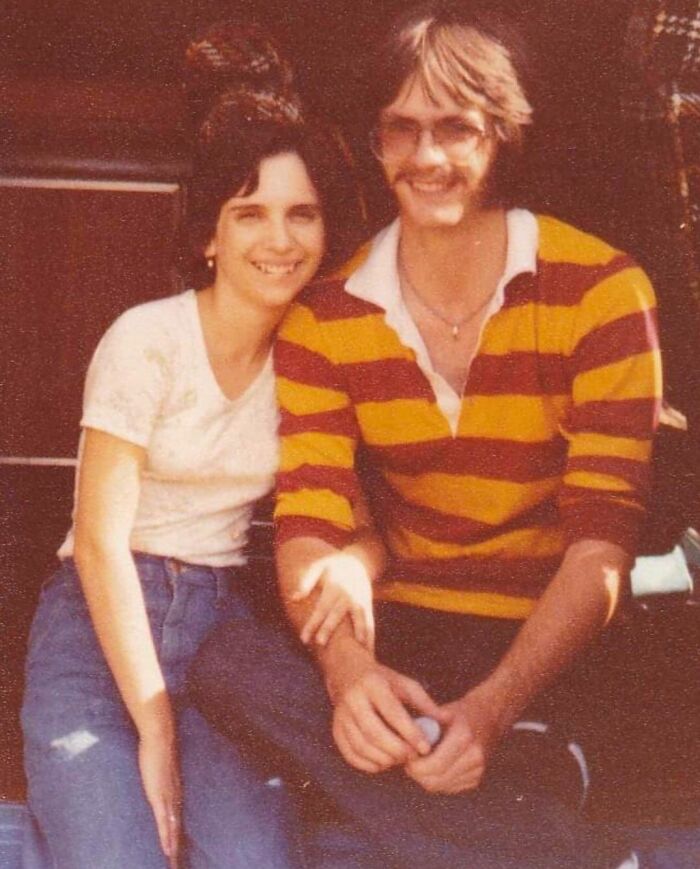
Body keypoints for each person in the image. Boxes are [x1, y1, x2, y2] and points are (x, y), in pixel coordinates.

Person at [190, 3, 662, 867]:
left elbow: (603, 548)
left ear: (502, 137)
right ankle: (545, 849)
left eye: (455, 128)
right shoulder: (327, 314)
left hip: (547, 642)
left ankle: (481, 808)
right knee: (224, 663)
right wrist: (348, 674)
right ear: (375, 143)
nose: (427, 158)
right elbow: (311, 519)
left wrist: (489, 707)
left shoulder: (602, 292)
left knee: (357, 836)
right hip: (403, 628)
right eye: (401, 129)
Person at [20, 23, 363, 869]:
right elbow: (99, 544)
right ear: (210, 233)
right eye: (250, 214)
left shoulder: (316, 356)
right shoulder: (148, 339)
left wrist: (358, 561)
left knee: (256, 861)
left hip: (217, 640)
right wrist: (153, 724)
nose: (278, 240)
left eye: (300, 214)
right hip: (98, 634)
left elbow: (369, 511)